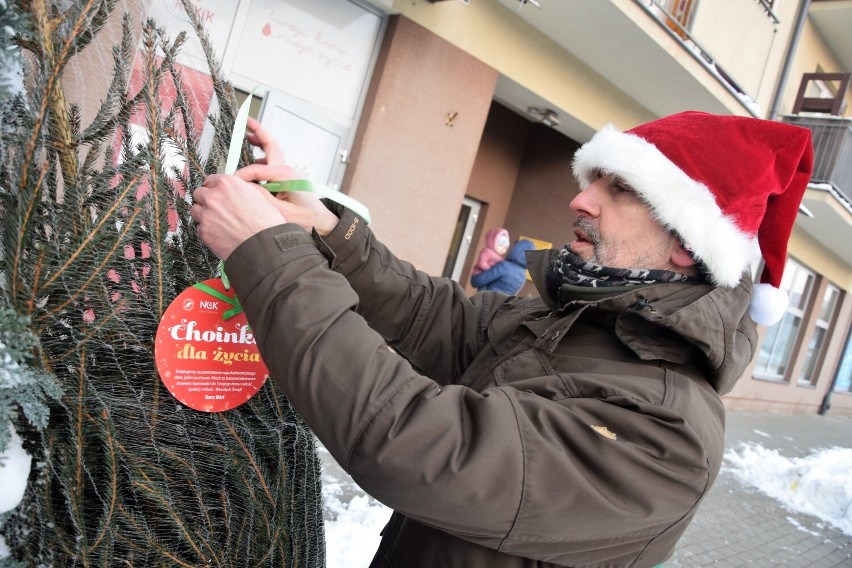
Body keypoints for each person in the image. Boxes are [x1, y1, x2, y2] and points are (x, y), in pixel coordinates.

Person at [191, 111, 812, 567]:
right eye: (591, 179)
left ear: (685, 244)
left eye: (619, 188)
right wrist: (320, 225)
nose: (580, 199)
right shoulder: (566, 324)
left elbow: (421, 445)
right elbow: (432, 314)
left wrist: (267, 256)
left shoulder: (666, 432)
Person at [471, 238, 536, 294]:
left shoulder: (505, 266)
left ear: (517, 250)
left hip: (483, 304)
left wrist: (477, 270)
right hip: (499, 307)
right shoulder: (523, 277)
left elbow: (476, 282)